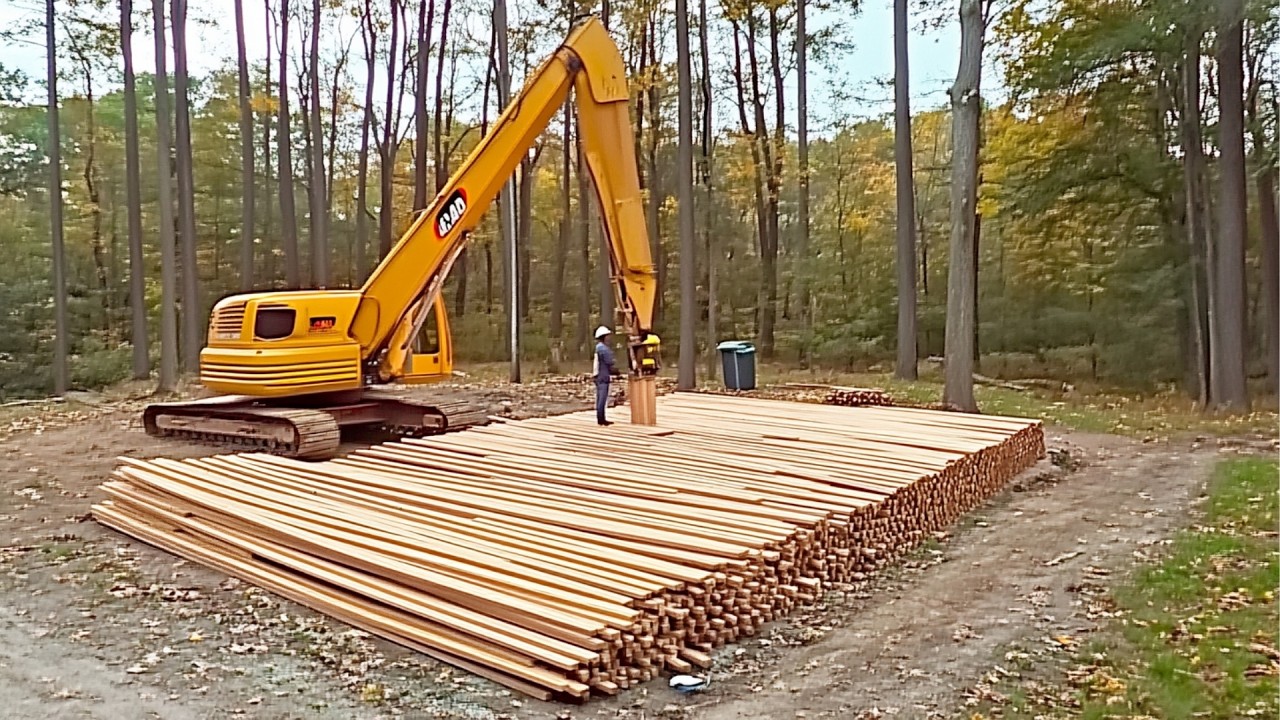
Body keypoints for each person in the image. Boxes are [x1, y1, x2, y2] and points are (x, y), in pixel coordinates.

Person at [593, 325, 619, 426]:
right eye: (607, 335)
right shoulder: (603, 349)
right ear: (603, 336)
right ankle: (601, 420)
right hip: (603, 376)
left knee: (600, 397)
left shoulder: (598, 347)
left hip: (598, 375)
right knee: (602, 398)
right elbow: (609, 362)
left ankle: (601, 418)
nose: (609, 337)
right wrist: (616, 371)